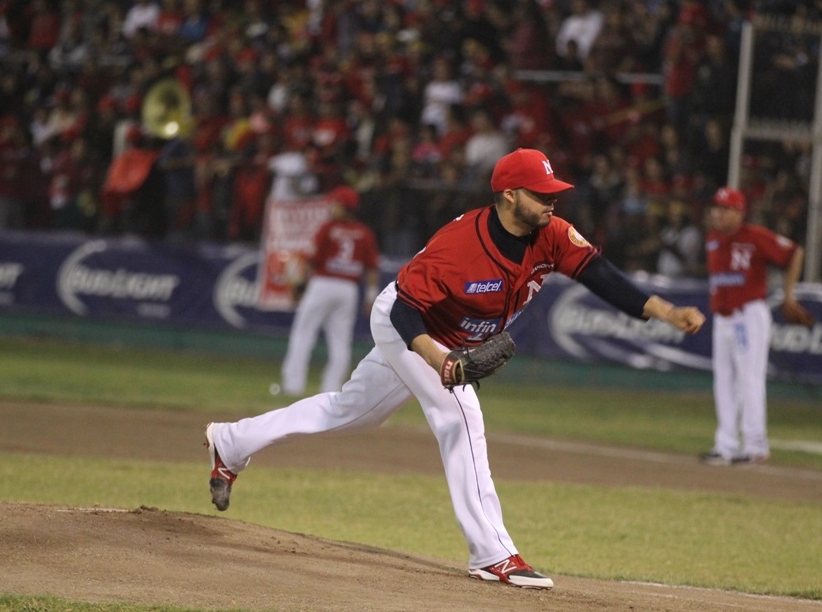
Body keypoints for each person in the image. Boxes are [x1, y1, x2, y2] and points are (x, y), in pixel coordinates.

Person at [204, 148, 706, 590]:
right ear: (509, 195)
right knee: (460, 418)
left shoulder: (551, 234)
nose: (552, 202)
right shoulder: (459, 246)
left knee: (350, 411)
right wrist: (438, 359)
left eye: (554, 192)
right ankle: (492, 553)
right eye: (542, 193)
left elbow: (599, 274)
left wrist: (665, 311)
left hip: (450, 337)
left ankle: (232, 442)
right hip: (408, 323)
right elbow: (404, 311)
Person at [702, 186, 805, 466]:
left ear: (739, 212)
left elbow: (794, 252)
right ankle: (726, 445)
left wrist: (789, 294)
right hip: (722, 317)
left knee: (749, 379)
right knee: (723, 380)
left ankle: (755, 444)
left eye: (725, 209)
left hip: (747, 315)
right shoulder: (712, 238)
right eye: (716, 208)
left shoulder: (754, 236)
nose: (718, 213)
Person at [276, 185, 380, 396]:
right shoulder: (364, 233)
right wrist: (370, 296)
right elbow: (372, 268)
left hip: (323, 284)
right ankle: (331, 390)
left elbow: (311, 261)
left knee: (303, 334)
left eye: (336, 204)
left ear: (344, 207)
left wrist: (300, 286)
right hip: (348, 290)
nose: (333, 207)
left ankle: (293, 385)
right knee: (340, 342)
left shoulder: (328, 228)